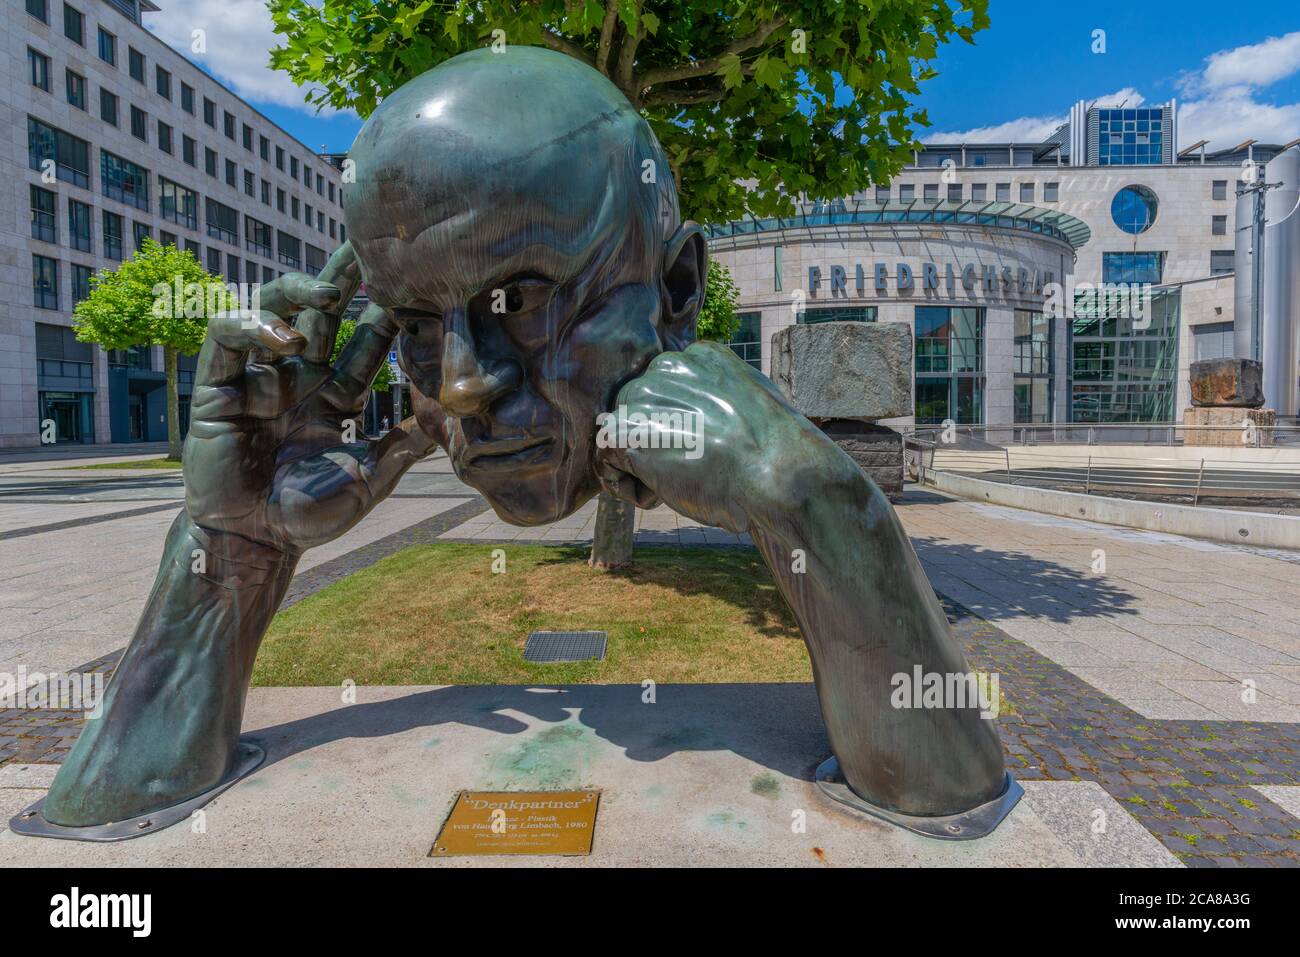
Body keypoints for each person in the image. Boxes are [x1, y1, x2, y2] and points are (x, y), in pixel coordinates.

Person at [37, 47, 1006, 832]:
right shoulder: (287, 496)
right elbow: (106, 812)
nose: (459, 385)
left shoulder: (786, 475)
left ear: (673, 295)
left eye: (522, 299)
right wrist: (229, 555)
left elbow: (945, 799)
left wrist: (814, 501)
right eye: (417, 324)